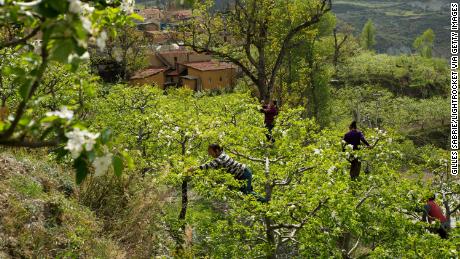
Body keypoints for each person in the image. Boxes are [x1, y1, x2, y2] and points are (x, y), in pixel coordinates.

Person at [188, 144, 266, 203]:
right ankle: (259, 203)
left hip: (244, 173)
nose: (210, 154)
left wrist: (195, 168)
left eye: (211, 152)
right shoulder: (220, 156)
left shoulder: (221, 157)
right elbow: (212, 167)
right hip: (239, 177)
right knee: (242, 191)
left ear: (217, 150)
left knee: (247, 192)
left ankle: (265, 201)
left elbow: (209, 165)